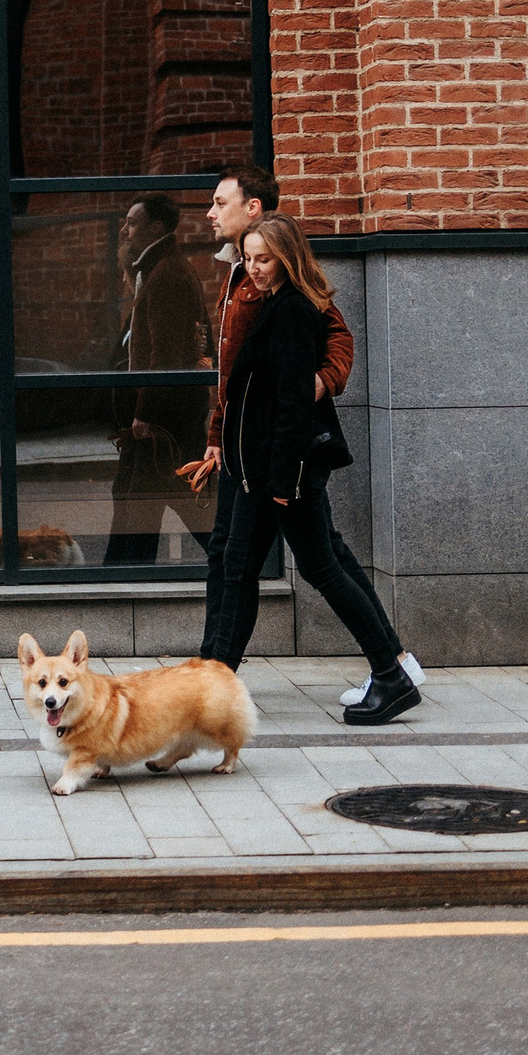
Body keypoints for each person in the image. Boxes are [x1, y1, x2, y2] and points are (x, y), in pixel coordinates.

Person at [179, 166, 420, 706]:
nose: (211, 213)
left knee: (316, 564)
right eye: (251, 259)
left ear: (255, 212)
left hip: (276, 465)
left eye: (221, 202)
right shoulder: (241, 281)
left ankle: (392, 668)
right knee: (239, 561)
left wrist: (318, 383)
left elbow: (321, 356)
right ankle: (211, 679)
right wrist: (220, 437)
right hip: (253, 459)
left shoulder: (290, 303)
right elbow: (234, 381)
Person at [104, 193, 212, 563]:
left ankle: (123, 584)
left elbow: (164, 356)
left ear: (156, 228)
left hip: (159, 426)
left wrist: (145, 413)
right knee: (140, 508)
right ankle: (122, 583)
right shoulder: (157, 270)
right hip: (158, 424)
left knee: (149, 507)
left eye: (133, 222)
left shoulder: (166, 275)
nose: (125, 229)